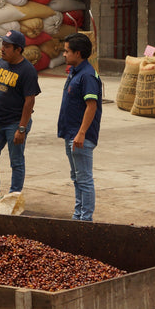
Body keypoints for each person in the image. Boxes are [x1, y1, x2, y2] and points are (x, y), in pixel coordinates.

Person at [0, 29, 40, 205]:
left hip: (15, 123)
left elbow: (29, 101)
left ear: (18, 49)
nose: (2, 49)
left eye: (7, 46)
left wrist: (22, 128)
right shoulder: (1, 63)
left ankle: (13, 197)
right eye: (2, 45)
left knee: (16, 162)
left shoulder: (27, 71)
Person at [57, 32, 102, 221]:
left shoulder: (88, 76)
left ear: (78, 53)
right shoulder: (76, 72)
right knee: (76, 178)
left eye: (67, 51)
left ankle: (85, 220)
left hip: (80, 136)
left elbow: (91, 106)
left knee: (84, 179)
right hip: (71, 134)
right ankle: (78, 215)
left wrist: (81, 133)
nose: (64, 55)